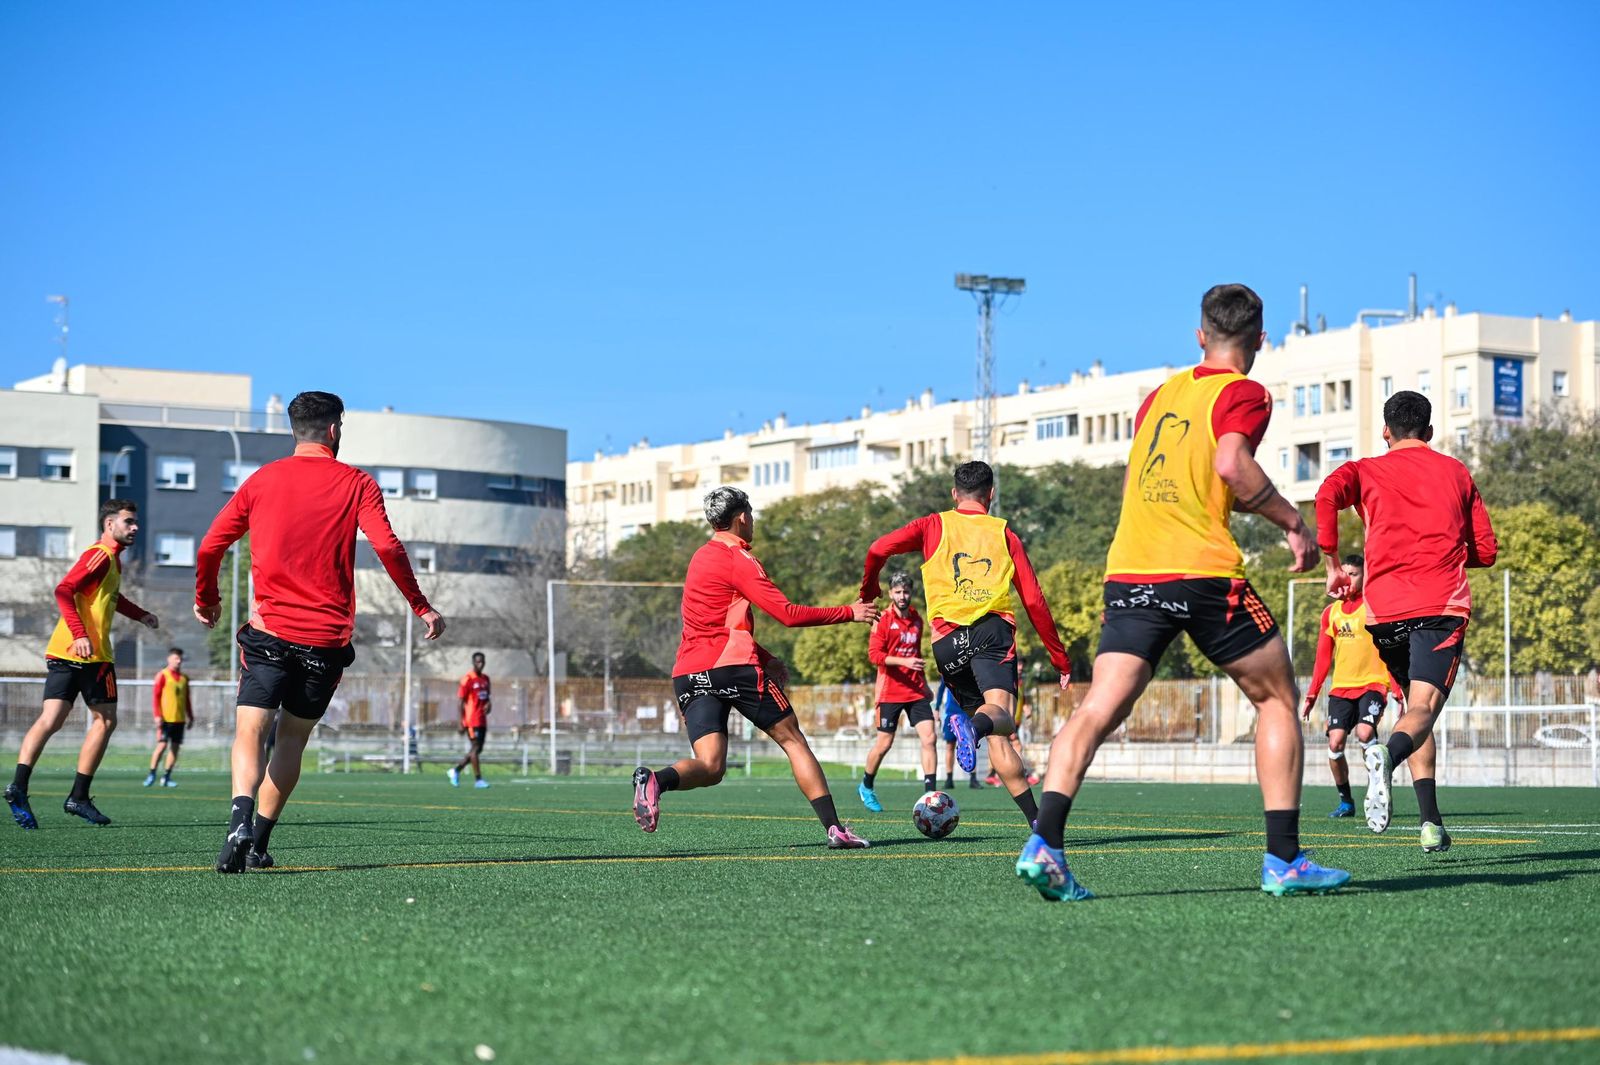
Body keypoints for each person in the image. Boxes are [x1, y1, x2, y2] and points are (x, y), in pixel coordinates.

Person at [1019, 284, 1350, 901]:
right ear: (1259, 342)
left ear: (1200, 336)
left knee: (1097, 708)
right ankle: (1283, 861)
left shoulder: (1158, 397)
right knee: (1277, 699)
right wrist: (1294, 524)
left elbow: (1134, 481)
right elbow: (1232, 464)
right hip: (1201, 573)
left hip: (1131, 570)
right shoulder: (1244, 392)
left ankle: (1046, 843)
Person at [195, 391, 444, 873]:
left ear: (296, 430)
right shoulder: (357, 483)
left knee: (250, 728)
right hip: (325, 642)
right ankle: (259, 843)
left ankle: (239, 821)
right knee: (291, 741)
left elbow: (211, 546)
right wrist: (421, 606)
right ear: (334, 430)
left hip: (269, 634)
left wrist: (208, 599)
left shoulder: (262, 480)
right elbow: (388, 548)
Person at [631, 487, 877, 847]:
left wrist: (766, 657)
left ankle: (656, 780)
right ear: (742, 517)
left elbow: (715, 627)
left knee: (712, 766)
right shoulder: (739, 558)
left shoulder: (699, 558)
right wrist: (849, 612)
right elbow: (788, 615)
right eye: (752, 514)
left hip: (688, 673)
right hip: (732, 668)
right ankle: (835, 829)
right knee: (793, 740)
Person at [1315, 390, 1498, 853]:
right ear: (1430, 432)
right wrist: (1445, 556)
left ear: (1385, 431)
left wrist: (1333, 562)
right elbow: (1487, 551)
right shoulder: (1455, 471)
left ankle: (1431, 822)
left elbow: (1324, 496)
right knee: (1422, 710)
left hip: (1384, 614)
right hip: (1440, 607)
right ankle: (1386, 756)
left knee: (1411, 711)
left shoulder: (1365, 470)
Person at [859, 460, 1072, 831]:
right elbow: (1034, 600)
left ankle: (1038, 823)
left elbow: (877, 548)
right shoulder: (1004, 534)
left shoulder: (932, 525)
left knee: (996, 733)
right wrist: (1060, 658)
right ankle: (972, 729)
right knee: (1001, 718)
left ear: (955, 494)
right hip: (991, 632)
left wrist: (868, 589)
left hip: (947, 645)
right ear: (991, 494)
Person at [5, 499, 159, 828]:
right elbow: (63, 590)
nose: (134, 527)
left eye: (135, 522)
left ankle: (18, 786)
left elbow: (111, 599)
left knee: (51, 718)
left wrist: (141, 615)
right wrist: (80, 633)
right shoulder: (100, 555)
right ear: (109, 525)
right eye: (128, 522)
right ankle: (78, 796)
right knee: (105, 721)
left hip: (63, 651)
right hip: (90, 655)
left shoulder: (109, 561)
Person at [1300, 556, 1406, 818]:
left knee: (1363, 732)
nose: (1348, 579)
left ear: (1364, 577)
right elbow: (1323, 657)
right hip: (1341, 688)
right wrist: (1312, 694)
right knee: (1335, 743)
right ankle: (1346, 801)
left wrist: (1396, 685)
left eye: (1354, 574)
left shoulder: (1373, 608)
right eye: (1344, 573)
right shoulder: (1331, 613)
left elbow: (1388, 648)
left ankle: (1377, 791)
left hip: (1372, 684)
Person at [857, 573, 936, 811]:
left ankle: (930, 797)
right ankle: (866, 786)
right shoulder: (881, 619)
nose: (903, 596)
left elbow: (917, 656)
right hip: (890, 691)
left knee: (930, 738)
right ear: (891, 593)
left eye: (906, 592)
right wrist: (904, 662)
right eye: (898, 592)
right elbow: (875, 656)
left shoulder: (917, 620)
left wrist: (925, 685)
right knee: (884, 743)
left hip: (915, 690)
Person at [145, 647, 194, 788]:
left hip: (180, 720)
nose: (178, 661)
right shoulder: (163, 675)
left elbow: (187, 700)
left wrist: (190, 716)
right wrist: (157, 715)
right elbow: (156, 697)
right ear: (169, 659)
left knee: (175, 749)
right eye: (175, 658)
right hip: (165, 719)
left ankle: (166, 777)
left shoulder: (184, 678)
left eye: (180, 659)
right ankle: (152, 774)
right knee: (161, 746)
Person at [448, 652, 492, 788]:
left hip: (482, 719)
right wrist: (460, 721)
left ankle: (455, 770)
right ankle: (478, 780)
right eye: (478, 662)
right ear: (473, 663)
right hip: (471, 719)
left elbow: (486, 698)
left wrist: (489, 704)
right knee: (475, 747)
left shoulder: (486, 679)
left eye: (482, 662)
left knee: (478, 750)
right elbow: (460, 702)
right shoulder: (467, 679)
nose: (480, 664)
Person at [936, 681, 980, 790]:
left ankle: (973, 779)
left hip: (967, 712)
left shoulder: (972, 671)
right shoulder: (947, 671)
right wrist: (936, 708)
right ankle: (949, 779)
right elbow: (941, 690)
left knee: (971, 745)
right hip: (951, 713)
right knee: (950, 745)